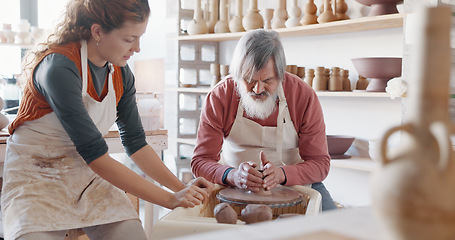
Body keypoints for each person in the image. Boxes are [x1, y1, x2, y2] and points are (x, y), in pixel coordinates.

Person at [1, 1, 213, 239]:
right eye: (129, 39)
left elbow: (136, 144)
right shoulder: (59, 67)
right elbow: (95, 154)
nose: (138, 49)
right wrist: (168, 199)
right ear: (98, 31)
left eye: (140, 37)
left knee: (131, 234)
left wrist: (181, 189)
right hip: (35, 177)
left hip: (84, 176)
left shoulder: (120, 73)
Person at [191, 29, 336, 211]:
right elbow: (200, 162)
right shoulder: (220, 95)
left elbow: (320, 164)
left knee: (333, 227)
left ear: (281, 76)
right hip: (232, 183)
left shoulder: (303, 96)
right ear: (236, 74)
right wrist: (233, 175)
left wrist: (281, 174)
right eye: (249, 80)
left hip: (294, 181)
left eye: (267, 80)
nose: (258, 89)